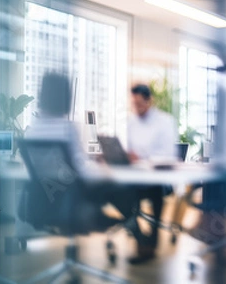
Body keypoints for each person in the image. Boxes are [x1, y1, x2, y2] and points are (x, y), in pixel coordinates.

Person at [24, 73, 137, 234]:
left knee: (112, 188)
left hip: (47, 203)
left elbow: (56, 168)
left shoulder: (33, 129)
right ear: (66, 97)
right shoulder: (67, 128)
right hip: (73, 204)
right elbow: (80, 170)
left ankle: (132, 224)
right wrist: (105, 172)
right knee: (120, 188)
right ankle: (132, 223)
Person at [126, 84, 177, 264]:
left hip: (158, 178)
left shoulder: (165, 121)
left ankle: (152, 243)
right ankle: (141, 238)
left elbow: (168, 155)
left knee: (155, 193)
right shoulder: (131, 122)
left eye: (140, 104)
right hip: (136, 176)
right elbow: (129, 150)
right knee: (121, 194)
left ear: (149, 101)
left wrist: (144, 158)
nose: (136, 108)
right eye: (134, 104)